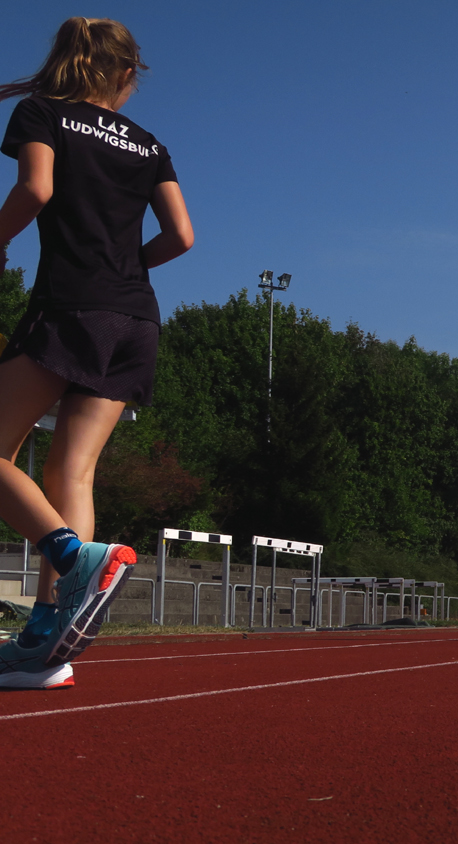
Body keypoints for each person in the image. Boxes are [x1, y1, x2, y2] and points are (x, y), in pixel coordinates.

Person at [0, 18, 193, 690]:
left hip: (71, 307)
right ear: (127, 73)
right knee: (71, 474)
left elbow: (36, 190)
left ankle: (70, 556)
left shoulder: (42, 112)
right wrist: (124, 271)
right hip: (135, 317)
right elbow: (182, 236)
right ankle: (46, 641)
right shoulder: (149, 144)